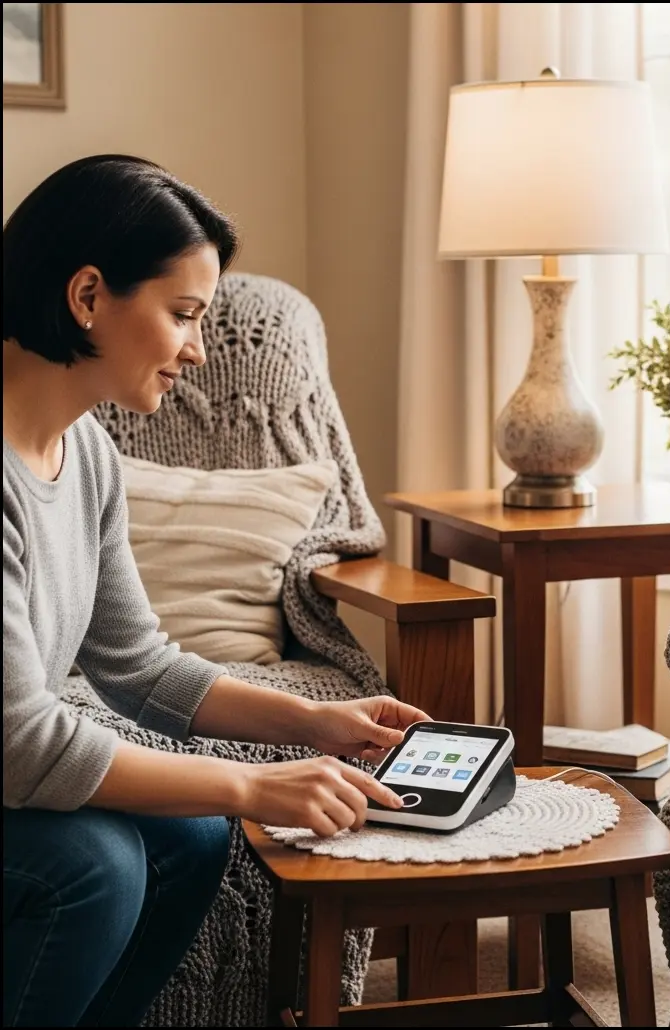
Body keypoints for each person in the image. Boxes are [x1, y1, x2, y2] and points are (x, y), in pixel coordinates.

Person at [2, 155, 422, 1028]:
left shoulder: (87, 457)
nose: (195, 349)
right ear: (87, 298)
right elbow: (22, 743)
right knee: (98, 866)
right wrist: (248, 788)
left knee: (188, 842)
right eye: (184, 314)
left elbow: (138, 666)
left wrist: (312, 725)